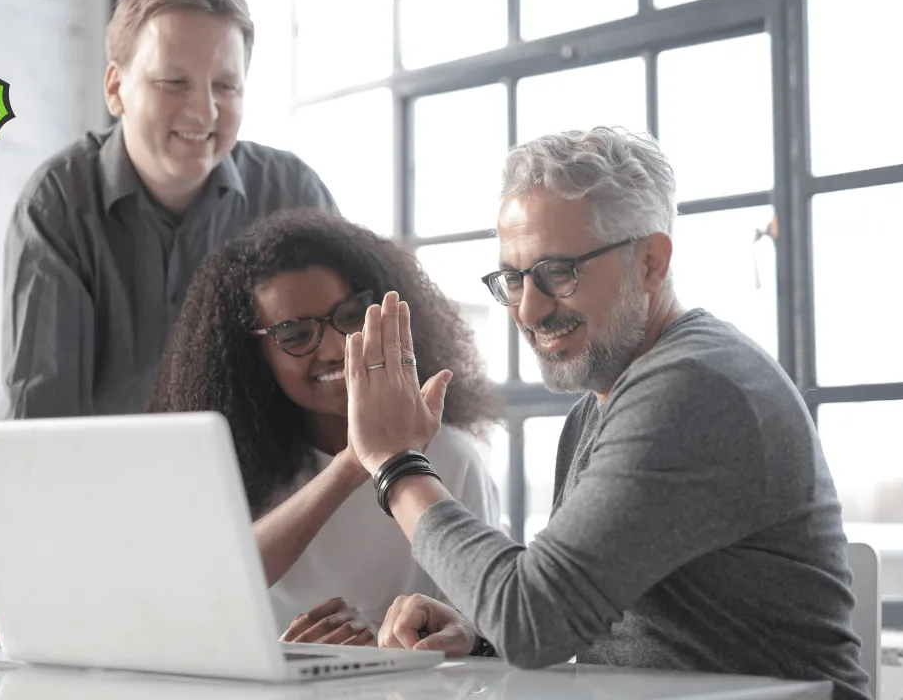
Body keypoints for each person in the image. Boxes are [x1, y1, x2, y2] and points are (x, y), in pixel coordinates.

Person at [338, 128, 873, 700]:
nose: (531, 309)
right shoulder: (603, 402)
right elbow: (573, 613)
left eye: (558, 273)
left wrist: (397, 463)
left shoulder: (694, 387)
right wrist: (479, 633)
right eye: (513, 279)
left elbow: (533, 622)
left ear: (651, 261)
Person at [0, 208, 504, 645]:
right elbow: (178, 597)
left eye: (349, 317)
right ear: (255, 359)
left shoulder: (449, 460)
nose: (333, 348)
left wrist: (385, 643)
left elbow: (482, 635)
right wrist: (33, 627)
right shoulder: (234, 466)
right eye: (296, 335)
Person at [0, 0, 338, 420]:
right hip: (103, 480)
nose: (205, 113)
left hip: (268, 483)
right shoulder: (57, 206)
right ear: (116, 89)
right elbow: (39, 419)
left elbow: (342, 373)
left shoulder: (292, 194)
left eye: (226, 87)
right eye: (174, 82)